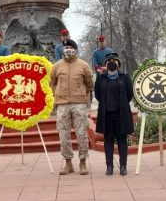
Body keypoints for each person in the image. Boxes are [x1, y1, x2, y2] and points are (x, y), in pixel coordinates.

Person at [51, 39, 94, 175]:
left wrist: (82, 94)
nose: (68, 50)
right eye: (66, 48)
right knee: (63, 135)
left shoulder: (83, 65)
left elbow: (89, 84)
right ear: (63, 50)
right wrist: (57, 96)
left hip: (79, 104)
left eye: (71, 47)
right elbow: (53, 83)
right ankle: (68, 163)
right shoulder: (57, 66)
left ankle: (83, 162)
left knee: (81, 134)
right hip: (62, 104)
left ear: (75, 49)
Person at [94, 53, 134, 176]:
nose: (112, 63)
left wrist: (121, 104)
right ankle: (109, 166)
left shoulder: (124, 77)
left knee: (122, 140)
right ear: (106, 64)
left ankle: (123, 166)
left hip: (121, 114)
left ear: (118, 64)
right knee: (108, 140)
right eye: (109, 61)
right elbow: (98, 94)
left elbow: (129, 94)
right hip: (107, 115)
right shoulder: (101, 78)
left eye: (114, 61)